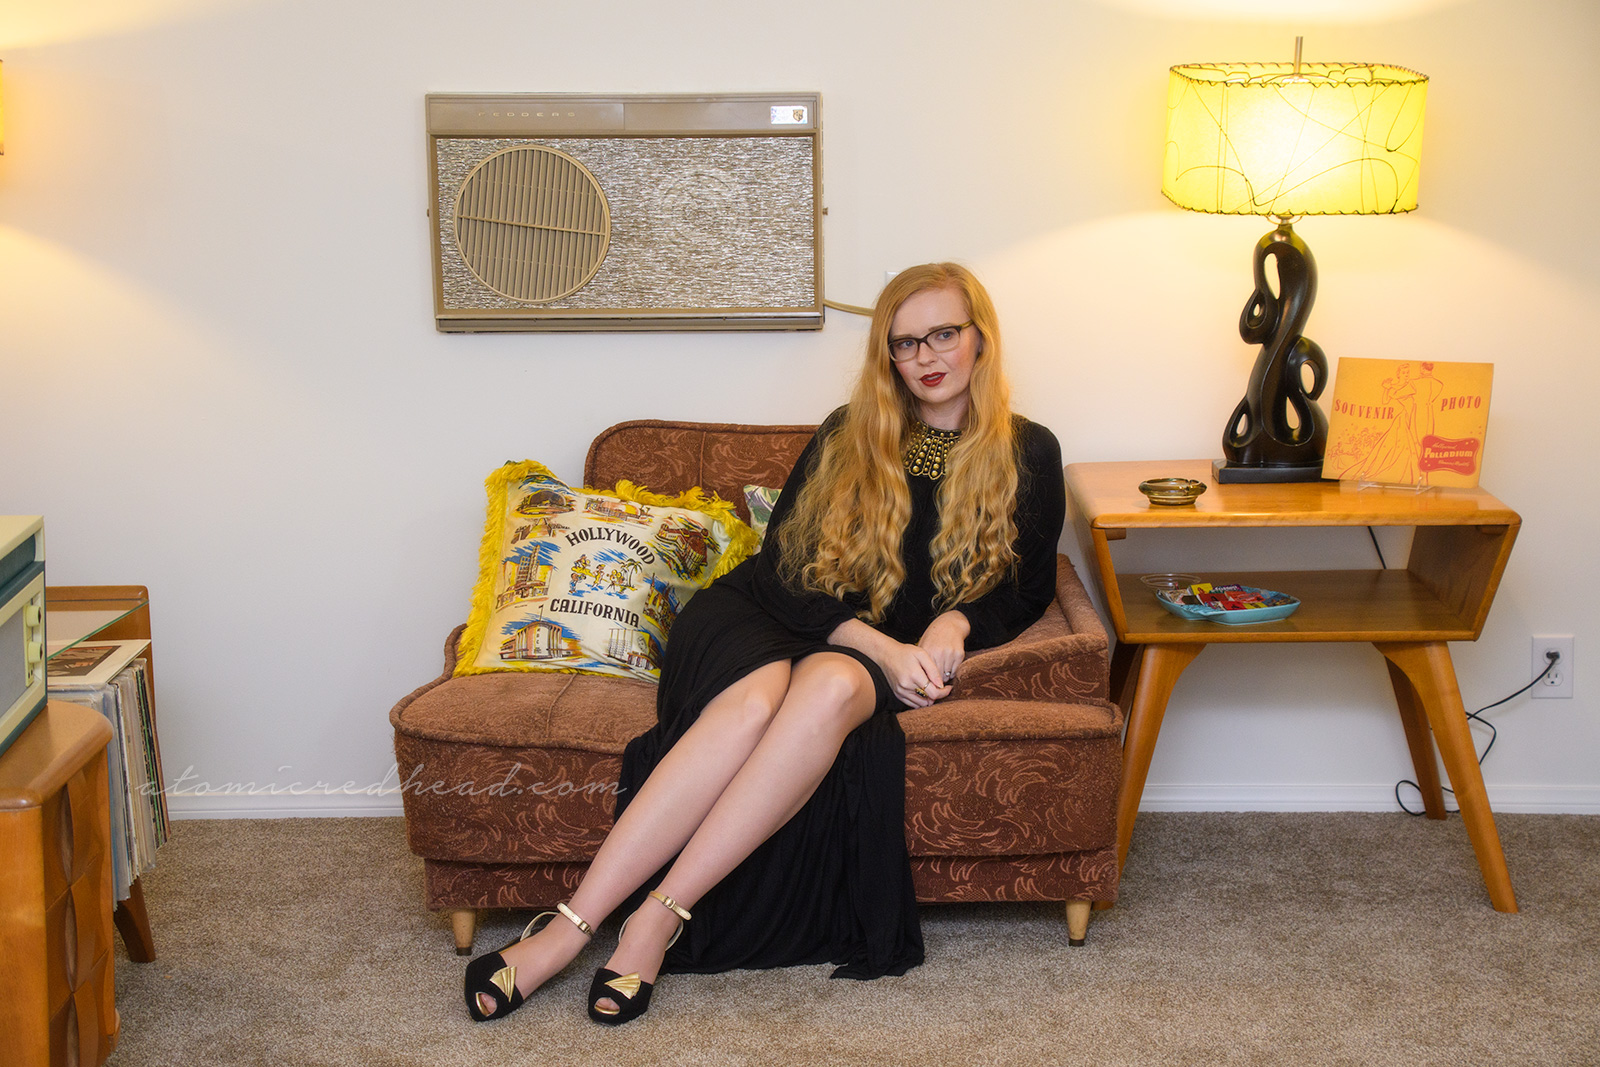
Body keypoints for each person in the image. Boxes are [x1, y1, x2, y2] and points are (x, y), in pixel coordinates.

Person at [464, 262, 1066, 1025]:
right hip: (760, 615)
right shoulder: (851, 431)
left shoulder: (1030, 452)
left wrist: (954, 624)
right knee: (754, 704)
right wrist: (883, 648)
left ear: (980, 336)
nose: (926, 355)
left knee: (835, 688)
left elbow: (1026, 587)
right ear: (889, 356)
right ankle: (567, 927)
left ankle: (658, 916)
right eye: (905, 342)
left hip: (847, 655)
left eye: (943, 332)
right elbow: (783, 568)